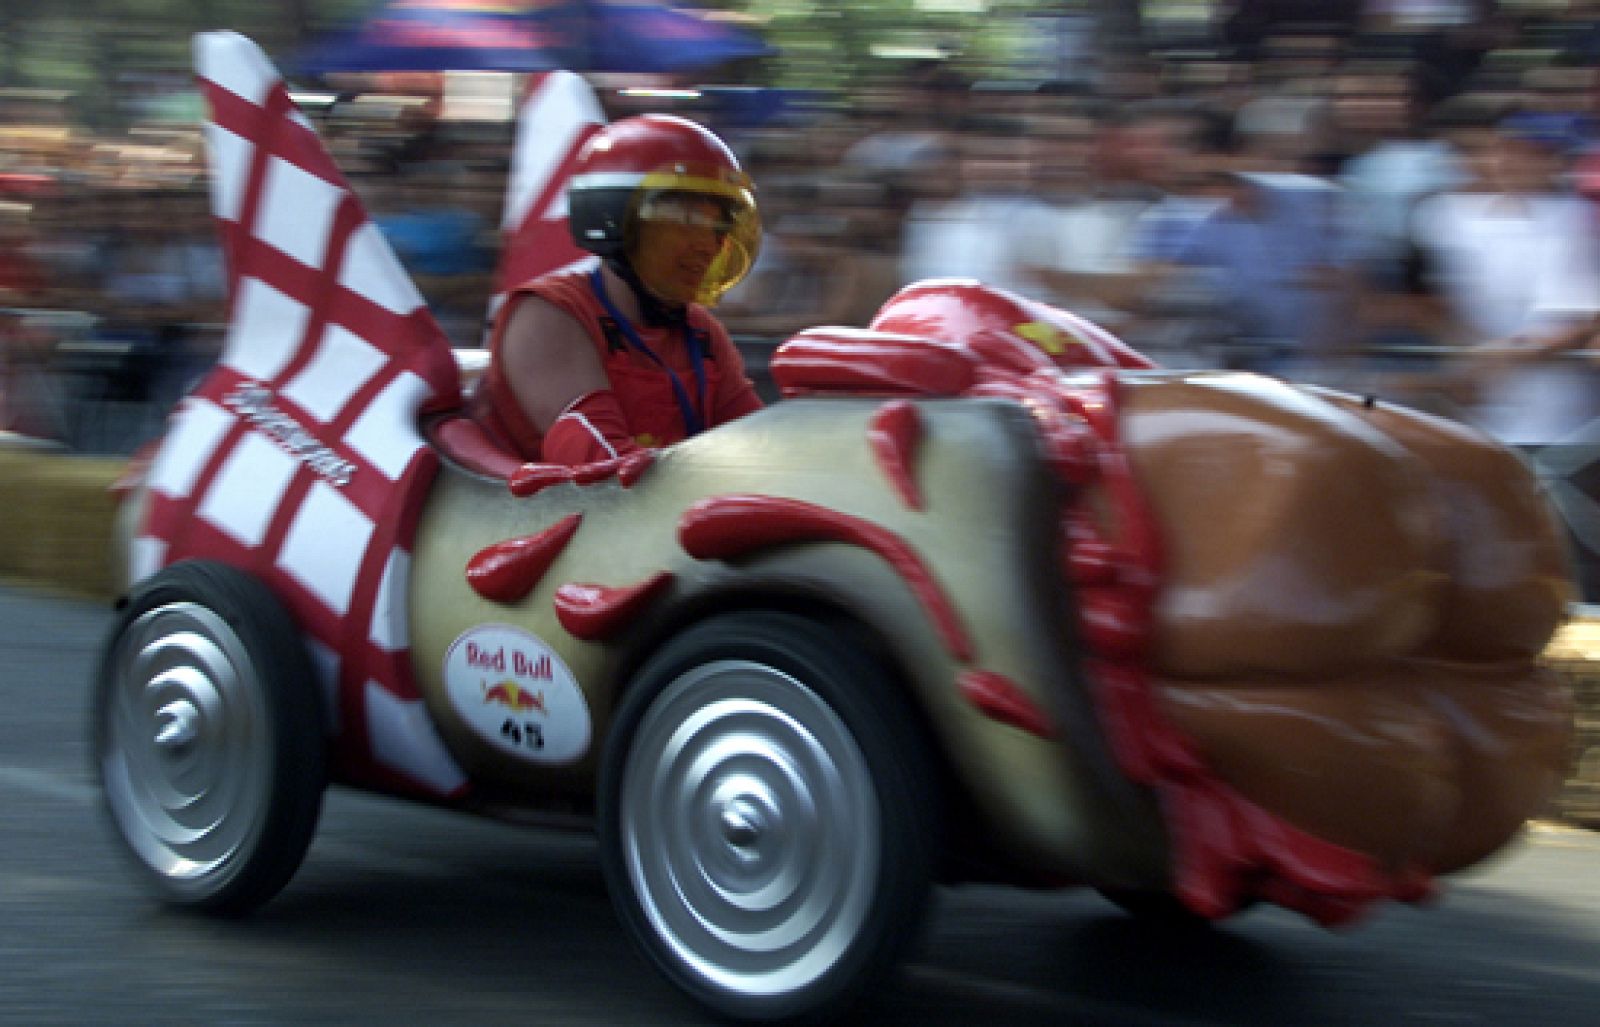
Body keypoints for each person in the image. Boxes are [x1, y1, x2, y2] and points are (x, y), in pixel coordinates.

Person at [471, 115, 764, 466]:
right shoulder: (550, 314)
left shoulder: (699, 333)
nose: (709, 246)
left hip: (660, 514)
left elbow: (755, 445)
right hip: (555, 517)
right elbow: (600, 463)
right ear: (609, 218)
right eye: (686, 221)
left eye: (718, 227)